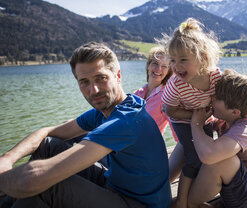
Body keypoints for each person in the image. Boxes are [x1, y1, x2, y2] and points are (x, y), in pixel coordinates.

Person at [0, 42, 172, 208]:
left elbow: (34, 179)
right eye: (84, 82)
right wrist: (7, 159)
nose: (93, 90)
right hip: (115, 184)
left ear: (118, 76)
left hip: (137, 203)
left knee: (48, 185)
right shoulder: (112, 106)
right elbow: (47, 132)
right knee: (49, 145)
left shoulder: (126, 120)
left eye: (100, 78)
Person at [188, 69, 247, 208]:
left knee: (220, 159)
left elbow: (209, 155)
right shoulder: (226, 121)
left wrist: (196, 124)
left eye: (217, 98)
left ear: (235, 112)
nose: (212, 99)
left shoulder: (246, 129)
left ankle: (191, 203)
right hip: (238, 193)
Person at [161, 18, 222, 207]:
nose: (177, 67)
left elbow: (221, 101)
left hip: (204, 118)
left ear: (202, 57)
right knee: (195, 157)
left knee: (208, 155)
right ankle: (182, 201)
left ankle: (196, 196)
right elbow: (168, 110)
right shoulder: (176, 85)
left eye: (183, 60)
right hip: (182, 120)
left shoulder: (215, 77)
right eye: (173, 61)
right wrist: (195, 118)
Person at [134, 46, 178, 141]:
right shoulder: (137, 94)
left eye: (164, 66)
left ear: (168, 71)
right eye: (155, 63)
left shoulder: (166, 97)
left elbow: (179, 136)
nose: (158, 69)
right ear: (148, 65)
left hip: (149, 151)